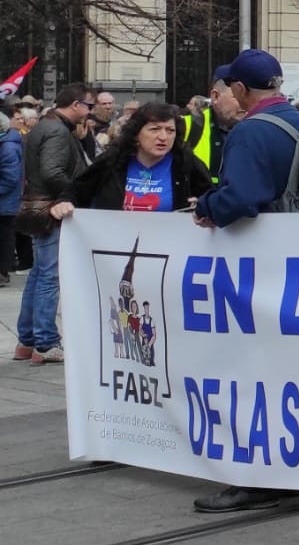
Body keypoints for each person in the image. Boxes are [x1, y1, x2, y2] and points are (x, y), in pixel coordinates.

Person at [189, 52, 299, 514]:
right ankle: (285, 470)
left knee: (253, 371)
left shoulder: (253, 131)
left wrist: (209, 205)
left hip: (264, 268)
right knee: (286, 372)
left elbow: (244, 197)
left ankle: (256, 476)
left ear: (239, 89)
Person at [15, 83, 90, 365]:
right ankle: (44, 342)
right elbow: (51, 170)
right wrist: (77, 190)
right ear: (75, 105)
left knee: (39, 273)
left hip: (39, 205)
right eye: (88, 106)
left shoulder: (45, 126)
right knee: (48, 275)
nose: (89, 112)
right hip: (51, 208)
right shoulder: (58, 130)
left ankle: (28, 339)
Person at [48, 102, 210, 219]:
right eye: (154, 129)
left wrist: (203, 205)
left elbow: (211, 197)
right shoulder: (112, 160)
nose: (163, 137)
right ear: (136, 133)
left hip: (170, 251)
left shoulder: (185, 162)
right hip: (115, 253)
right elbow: (76, 191)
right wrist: (64, 203)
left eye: (170, 130)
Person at [0, 106, 19, 289]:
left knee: (5, 237)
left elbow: (11, 178)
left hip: (5, 203)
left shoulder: (7, 148)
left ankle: (2, 272)